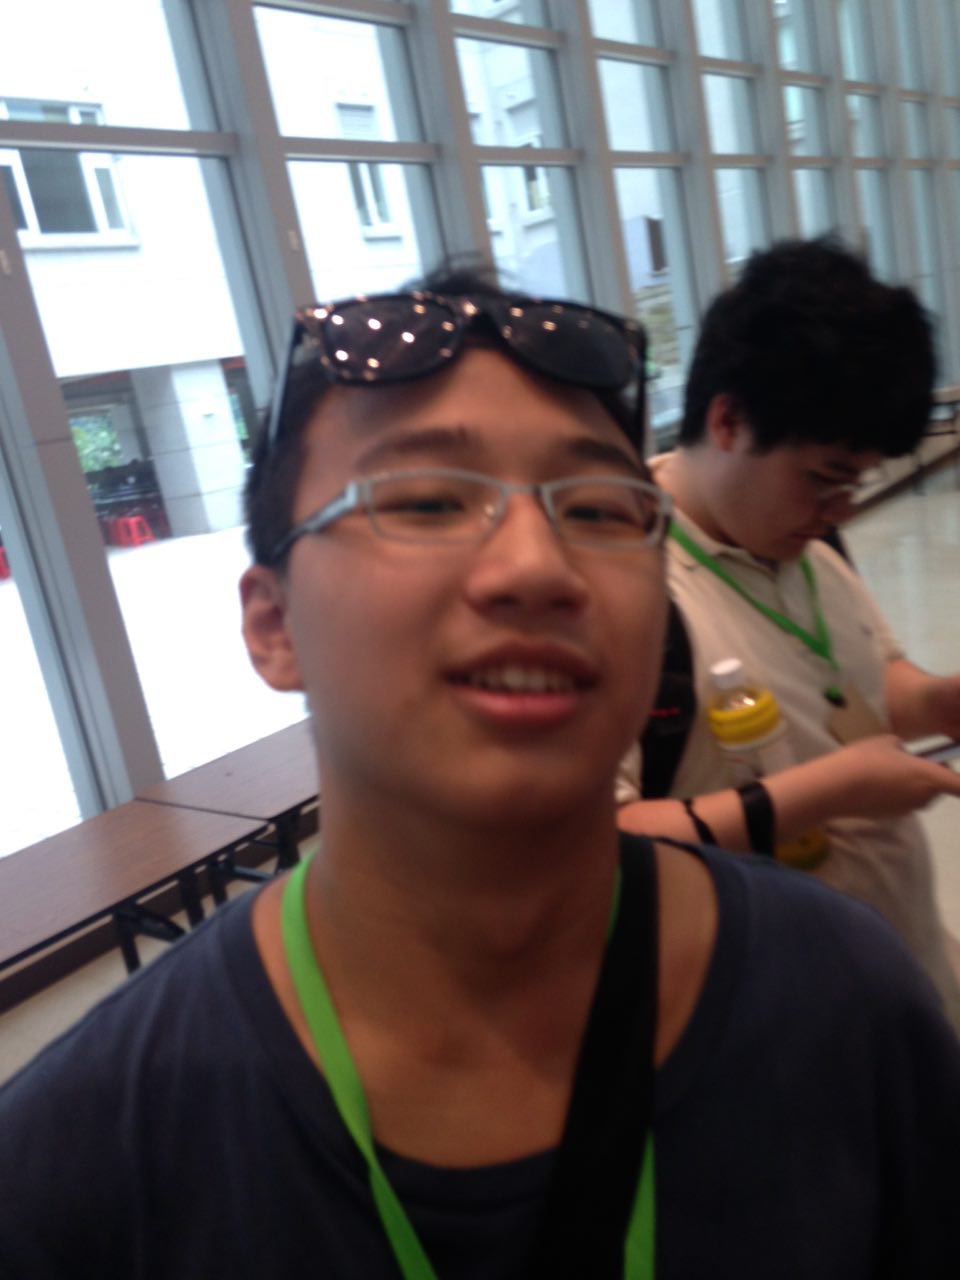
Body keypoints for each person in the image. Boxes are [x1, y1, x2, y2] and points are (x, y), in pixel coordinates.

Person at [1, 266, 958, 1278]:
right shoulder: (84, 1164)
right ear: (273, 624)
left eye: (598, 508)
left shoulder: (846, 1003)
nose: (536, 567)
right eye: (424, 500)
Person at [616, 236, 960, 1028]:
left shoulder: (806, 541)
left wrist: (941, 702)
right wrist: (831, 793)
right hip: (771, 1028)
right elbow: (604, 847)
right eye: (824, 478)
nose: (842, 510)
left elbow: (862, 684)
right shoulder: (625, 585)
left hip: (901, 979)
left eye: (856, 484)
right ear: (728, 420)